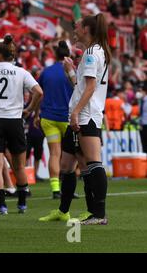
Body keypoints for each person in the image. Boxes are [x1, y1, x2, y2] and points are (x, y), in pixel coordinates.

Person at [39, 14, 111, 225]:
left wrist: (75, 112)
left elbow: (90, 88)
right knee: (67, 164)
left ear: (87, 29)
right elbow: (82, 87)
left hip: (85, 116)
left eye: (77, 26)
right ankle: (64, 211)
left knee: (93, 162)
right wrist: (71, 72)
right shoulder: (97, 52)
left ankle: (98, 214)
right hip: (83, 113)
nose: (74, 29)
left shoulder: (91, 53)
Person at [0, 35, 43, 215]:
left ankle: (2, 206)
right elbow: (39, 92)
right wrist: (29, 109)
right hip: (15, 121)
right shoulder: (21, 72)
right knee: (19, 166)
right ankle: (22, 204)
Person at [35, 41, 74, 199]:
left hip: (48, 118)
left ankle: (55, 189)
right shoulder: (71, 71)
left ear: (55, 55)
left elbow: (39, 93)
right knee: (72, 155)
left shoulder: (46, 72)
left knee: (54, 154)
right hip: (67, 119)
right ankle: (68, 187)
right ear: (68, 56)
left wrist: (37, 114)